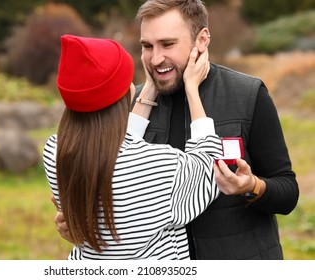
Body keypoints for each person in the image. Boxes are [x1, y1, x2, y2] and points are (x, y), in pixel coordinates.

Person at [54, 0, 299, 260]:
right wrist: (83, 224)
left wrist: (253, 185)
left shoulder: (247, 94)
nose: (156, 58)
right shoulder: (131, 107)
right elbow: (109, 186)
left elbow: (287, 191)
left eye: (168, 44)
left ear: (202, 40)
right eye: (147, 46)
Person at [43, 34, 227, 259]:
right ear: (128, 94)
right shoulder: (159, 166)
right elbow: (209, 166)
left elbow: (116, 152)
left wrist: (149, 88)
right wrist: (192, 88)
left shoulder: (54, 152)